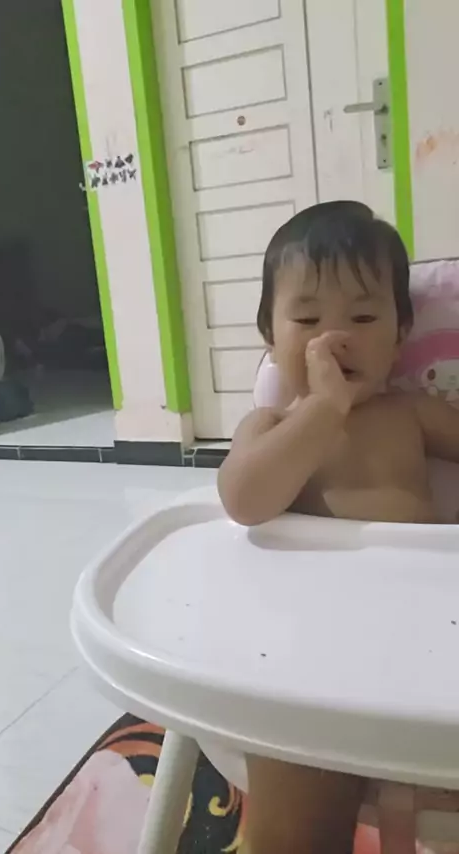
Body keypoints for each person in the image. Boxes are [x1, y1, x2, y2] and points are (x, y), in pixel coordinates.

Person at [218, 201, 459, 854]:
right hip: (313, 656)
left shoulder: (411, 413)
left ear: (401, 335)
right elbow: (243, 499)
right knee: (292, 783)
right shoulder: (270, 427)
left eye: (363, 317)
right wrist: (324, 406)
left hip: (428, 633)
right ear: (269, 335)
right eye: (306, 319)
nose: (334, 338)